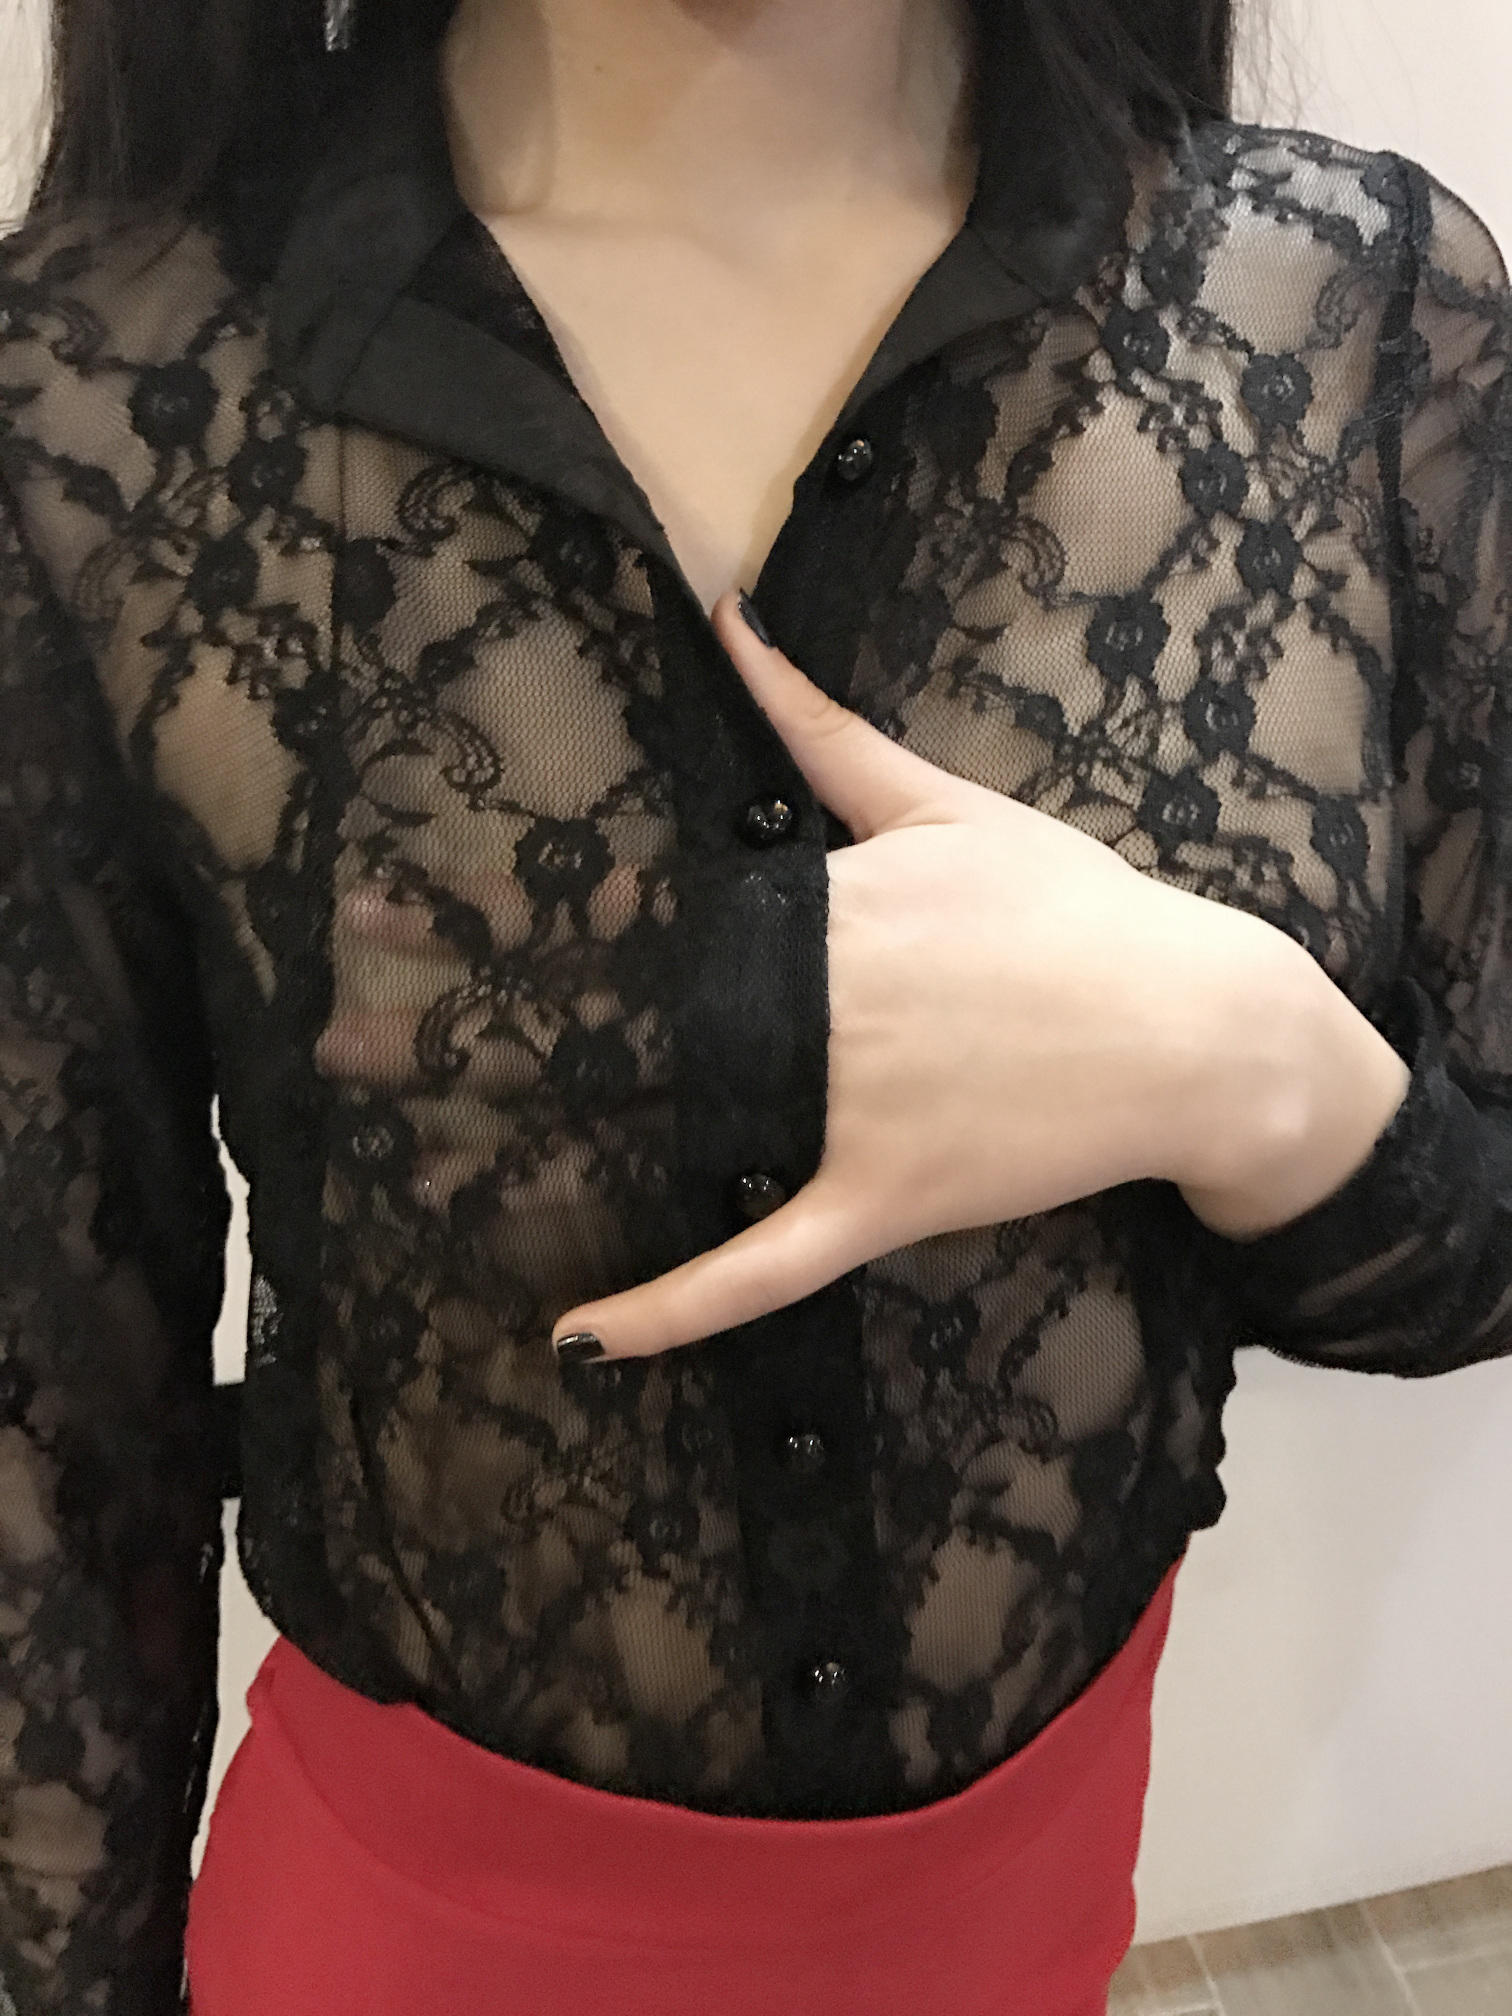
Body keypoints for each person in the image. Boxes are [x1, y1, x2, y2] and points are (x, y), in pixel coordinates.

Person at [1, 0, 1509, 2009]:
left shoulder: (1354, 311)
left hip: (1035, 1922)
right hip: (417, 1951)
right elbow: (54, 1447)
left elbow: (1471, 1249)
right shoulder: (94, 399)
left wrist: (1248, 1065)